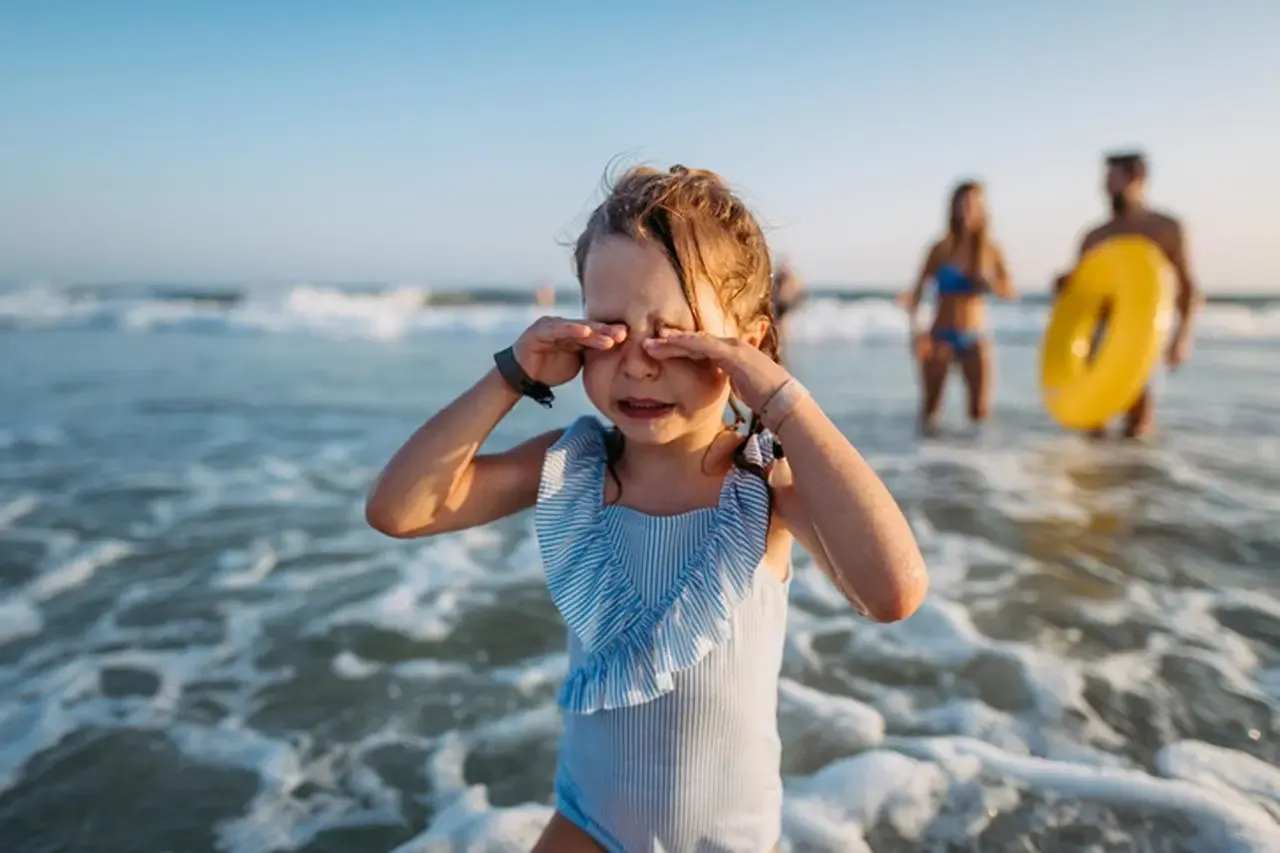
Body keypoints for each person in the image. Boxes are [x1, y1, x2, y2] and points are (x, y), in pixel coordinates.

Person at [365, 164, 928, 853]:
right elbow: (400, 509)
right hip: (585, 825)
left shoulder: (766, 487)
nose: (637, 363)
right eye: (609, 328)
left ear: (743, 348)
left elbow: (894, 589)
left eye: (675, 336)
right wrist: (511, 374)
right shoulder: (571, 466)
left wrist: (779, 398)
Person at [1053, 151, 1200, 439]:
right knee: (1092, 418)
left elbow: (1188, 287)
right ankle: (1100, 479)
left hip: (1143, 331)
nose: (1106, 187)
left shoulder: (1165, 228)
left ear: (1138, 179)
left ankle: (1134, 482)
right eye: (1105, 179)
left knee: (1137, 425)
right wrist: (1063, 284)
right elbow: (1080, 292)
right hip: (1099, 331)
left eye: (1113, 178)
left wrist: (1183, 337)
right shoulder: (1095, 235)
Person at [901, 180, 1015, 434]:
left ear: (982, 209)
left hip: (974, 336)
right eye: (961, 203)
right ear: (951, 207)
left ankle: (975, 465)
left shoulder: (990, 250)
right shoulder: (940, 248)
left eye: (972, 204)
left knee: (979, 412)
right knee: (930, 410)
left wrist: (990, 282)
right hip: (940, 335)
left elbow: (1010, 291)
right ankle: (927, 464)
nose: (966, 209)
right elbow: (916, 294)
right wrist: (916, 335)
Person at [771, 254, 805, 353]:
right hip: (781, 301)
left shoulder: (788, 278)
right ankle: (780, 341)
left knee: (782, 322)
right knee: (780, 322)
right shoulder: (782, 277)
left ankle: (780, 341)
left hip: (784, 302)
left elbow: (797, 292)